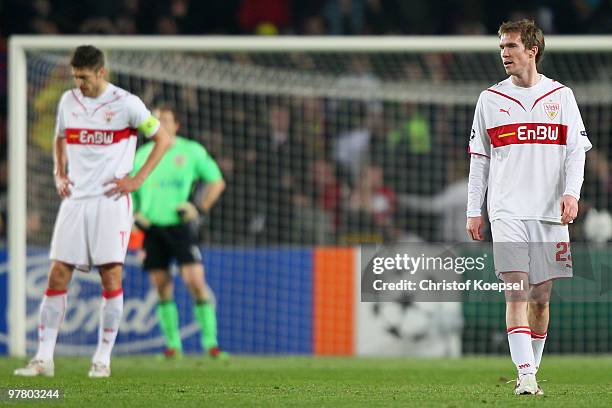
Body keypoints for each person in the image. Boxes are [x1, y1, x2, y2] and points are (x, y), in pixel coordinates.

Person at [14, 45, 171, 378]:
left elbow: (164, 139)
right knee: (57, 274)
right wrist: (59, 172)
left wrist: (137, 179)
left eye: (84, 77)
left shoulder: (127, 103)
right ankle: (44, 359)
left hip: (111, 201)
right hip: (75, 201)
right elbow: (59, 137)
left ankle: (102, 358)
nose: (79, 83)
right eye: (75, 77)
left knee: (110, 275)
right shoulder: (69, 101)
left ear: (101, 72)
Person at [466, 20, 592, 395]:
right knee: (516, 290)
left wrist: (572, 193)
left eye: (511, 46)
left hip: (550, 212)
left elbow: (576, 153)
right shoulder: (490, 99)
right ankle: (526, 376)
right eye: (502, 47)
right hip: (506, 211)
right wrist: (476, 209)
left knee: (540, 299)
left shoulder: (561, 96)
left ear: (532, 50)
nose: (504, 53)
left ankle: (531, 369)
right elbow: (479, 160)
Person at [131, 105, 227, 359]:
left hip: (181, 227)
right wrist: (135, 213)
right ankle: (173, 346)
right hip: (152, 229)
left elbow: (217, 181)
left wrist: (199, 207)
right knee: (162, 286)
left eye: (165, 119)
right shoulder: (141, 155)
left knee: (194, 281)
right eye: (155, 119)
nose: (160, 123)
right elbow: (131, 192)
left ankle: (211, 344)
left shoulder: (191, 151)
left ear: (176, 126)